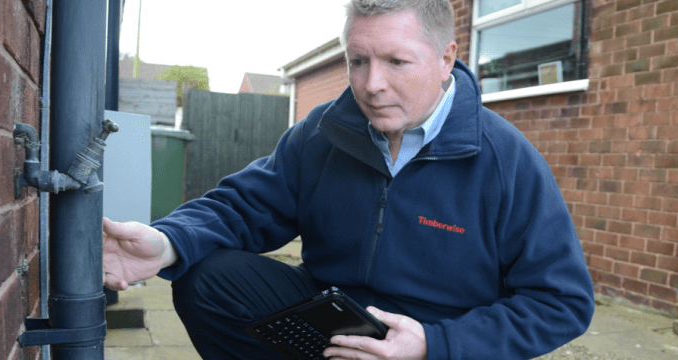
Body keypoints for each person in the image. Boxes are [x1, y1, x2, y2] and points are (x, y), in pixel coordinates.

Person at [102, 0, 595, 358]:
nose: (371, 84)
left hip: (435, 340)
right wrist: (167, 241)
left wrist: (437, 345)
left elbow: (562, 302)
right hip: (332, 320)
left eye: (397, 61)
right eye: (358, 61)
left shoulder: (506, 159)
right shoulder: (324, 131)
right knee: (206, 278)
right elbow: (242, 207)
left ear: (445, 60)